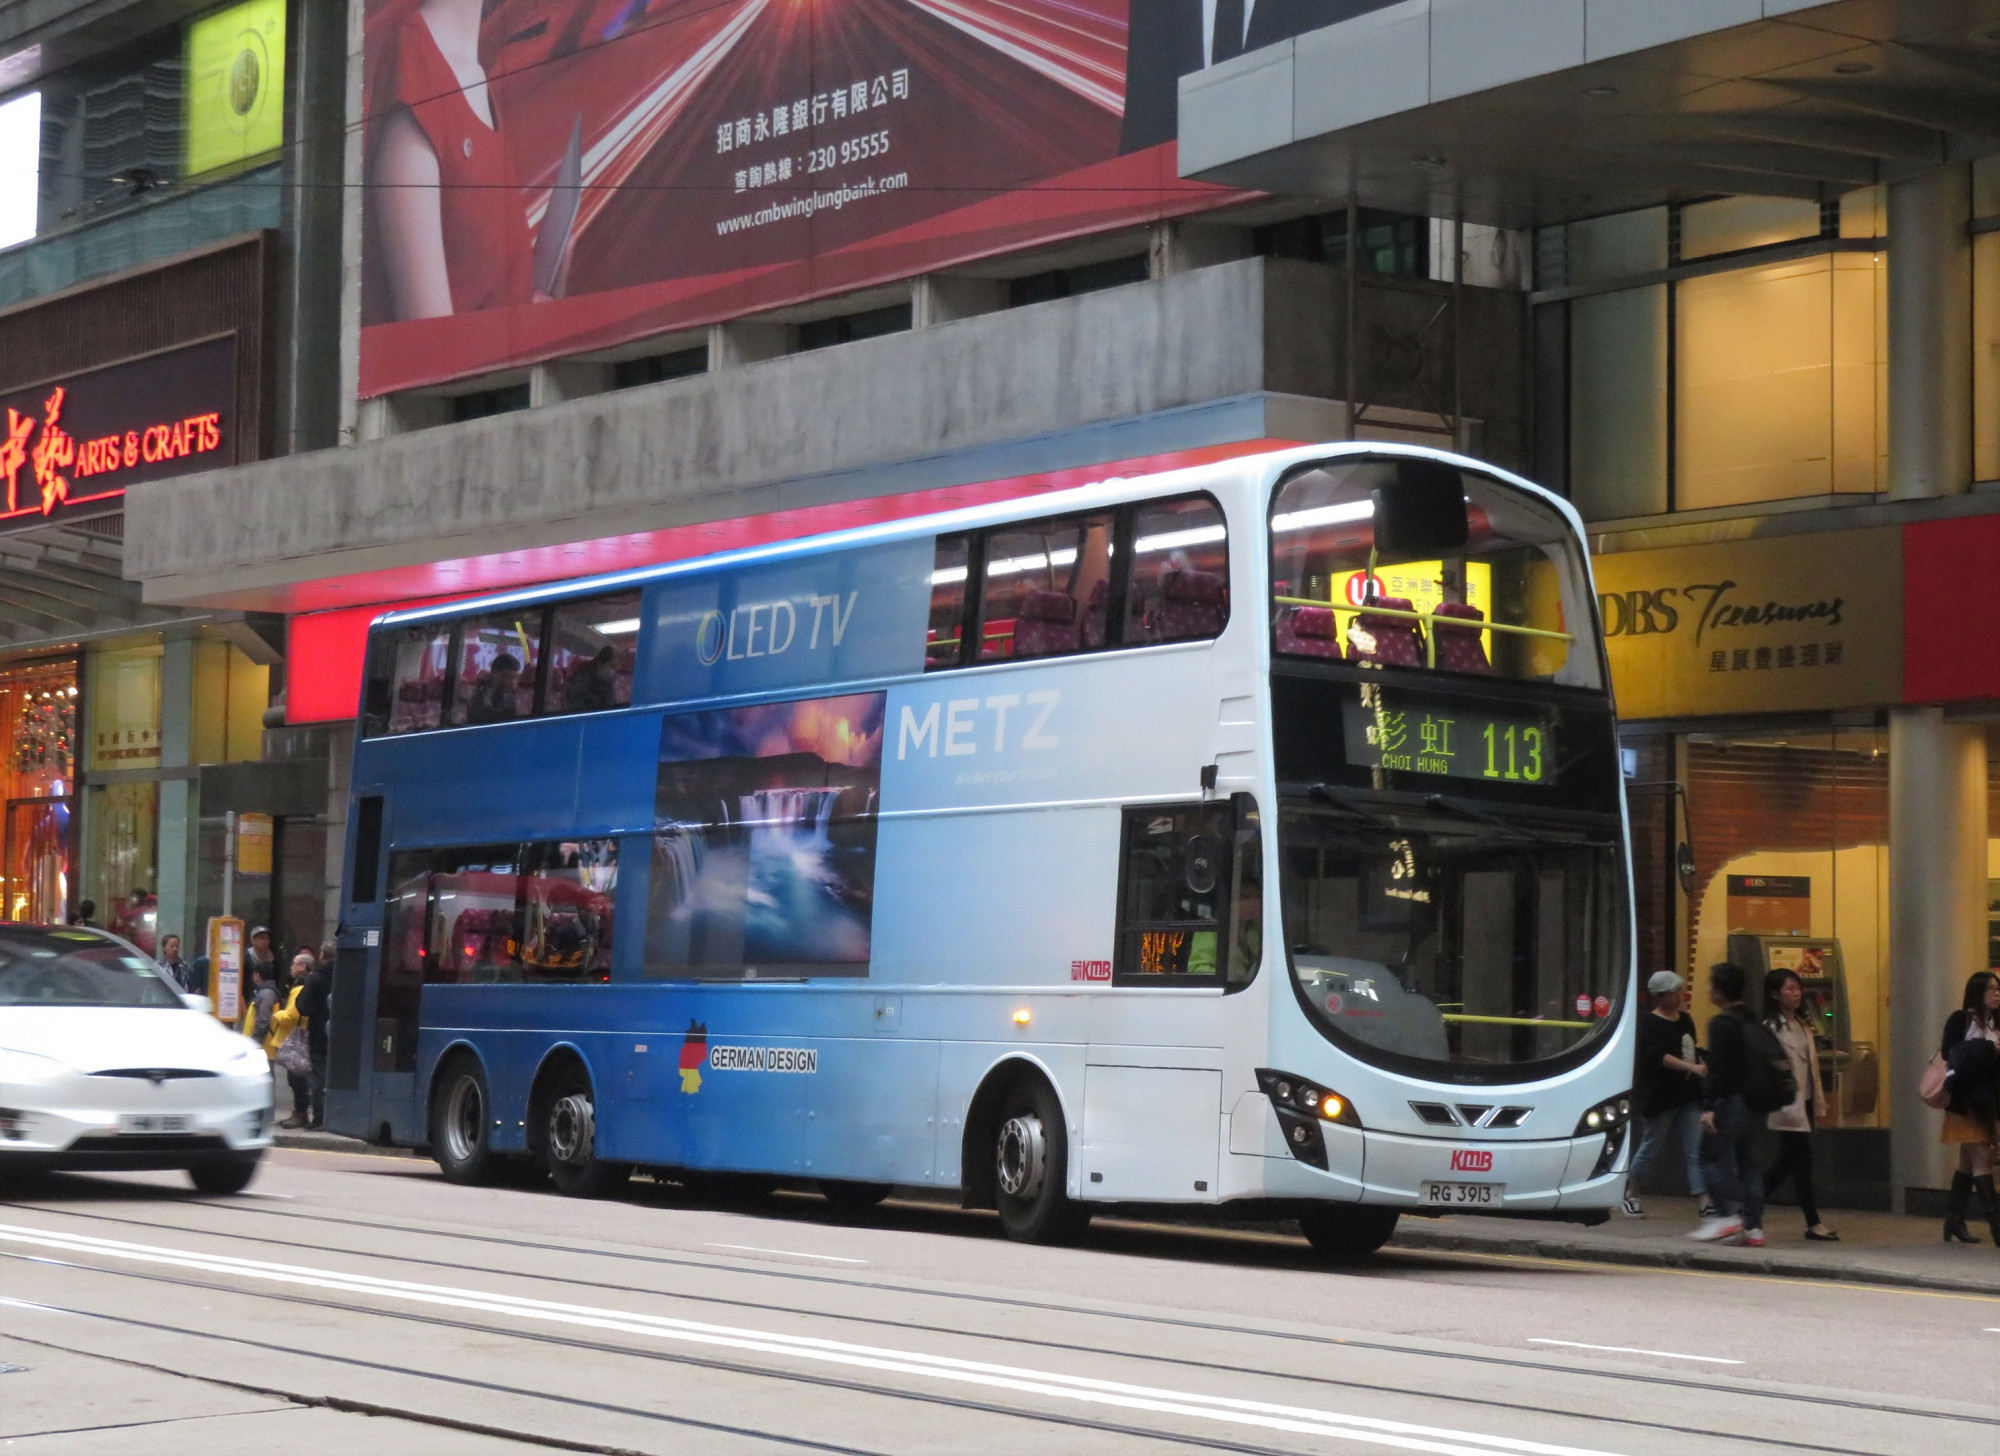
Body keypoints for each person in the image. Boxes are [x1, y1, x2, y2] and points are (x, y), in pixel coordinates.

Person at [1690, 962, 1766, 1246]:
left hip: (1730, 1100)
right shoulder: (1752, 1019)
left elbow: (1718, 1069)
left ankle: (1725, 1215)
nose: (1708, 990)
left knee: (1708, 1158)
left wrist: (1709, 1106)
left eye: (1711, 985)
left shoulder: (1721, 1023)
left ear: (1720, 992)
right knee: (1750, 1165)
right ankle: (1754, 1228)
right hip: (1755, 1102)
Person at [1761, 968, 1838, 1241]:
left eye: (1798, 988)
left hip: (1803, 1100)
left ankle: (1749, 1208)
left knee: (1786, 1163)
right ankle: (1813, 1222)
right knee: (1800, 1162)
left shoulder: (1803, 1024)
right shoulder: (1772, 1028)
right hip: (1786, 1103)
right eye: (1789, 989)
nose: (1796, 994)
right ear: (1774, 994)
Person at [1623, 970, 1708, 1219]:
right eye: (1675, 992)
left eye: (1680, 990)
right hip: (1661, 1097)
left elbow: (1691, 1046)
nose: (1680, 996)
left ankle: (1705, 1201)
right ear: (1660, 997)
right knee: (1651, 1147)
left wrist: (1699, 1064)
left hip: (1687, 1094)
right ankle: (1632, 1194)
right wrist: (1691, 1067)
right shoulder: (1649, 1023)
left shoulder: (1685, 1019)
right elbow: (1659, 1057)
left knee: (1696, 1149)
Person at [1938, 971, 2000, 1244]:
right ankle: (1997, 1227)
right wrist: (1985, 1048)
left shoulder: (1996, 1022)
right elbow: (1948, 1052)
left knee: (1967, 1161)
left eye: (1998, 989)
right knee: (1982, 1158)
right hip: (1964, 1103)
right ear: (1977, 992)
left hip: (1987, 1104)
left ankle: (1953, 1219)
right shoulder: (1960, 1019)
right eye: (1991, 989)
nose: (1997, 994)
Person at [267, 956, 313, 1129]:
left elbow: (292, 1015)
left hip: (297, 1036)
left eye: (294, 964)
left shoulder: (300, 986)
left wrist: (276, 1015)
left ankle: (300, 1113)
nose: (291, 967)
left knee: (296, 1077)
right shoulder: (306, 983)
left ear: (302, 966)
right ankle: (299, 1112)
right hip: (307, 1034)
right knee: (298, 1078)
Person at [294, 950, 333, 1129]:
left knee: (319, 1075)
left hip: (319, 1032)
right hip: (344, 1034)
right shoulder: (347, 975)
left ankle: (320, 1118)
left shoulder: (315, 978)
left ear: (322, 956)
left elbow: (303, 1007)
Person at [465, 652, 524, 724]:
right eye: (507, 677)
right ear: (494, 673)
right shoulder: (481, 696)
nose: (513, 682)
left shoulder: (510, 696)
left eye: (515, 677)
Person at [562, 645, 620, 713]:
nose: (614, 671)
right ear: (603, 662)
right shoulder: (582, 678)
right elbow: (576, 704)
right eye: (617, 657)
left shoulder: (608, 678)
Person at [242, 926, 276, 1003]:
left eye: (267, 938)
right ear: (253, 940)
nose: (264, 941)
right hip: (249, 999)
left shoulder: (273, 959)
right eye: (261, 938)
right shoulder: (245, 958)